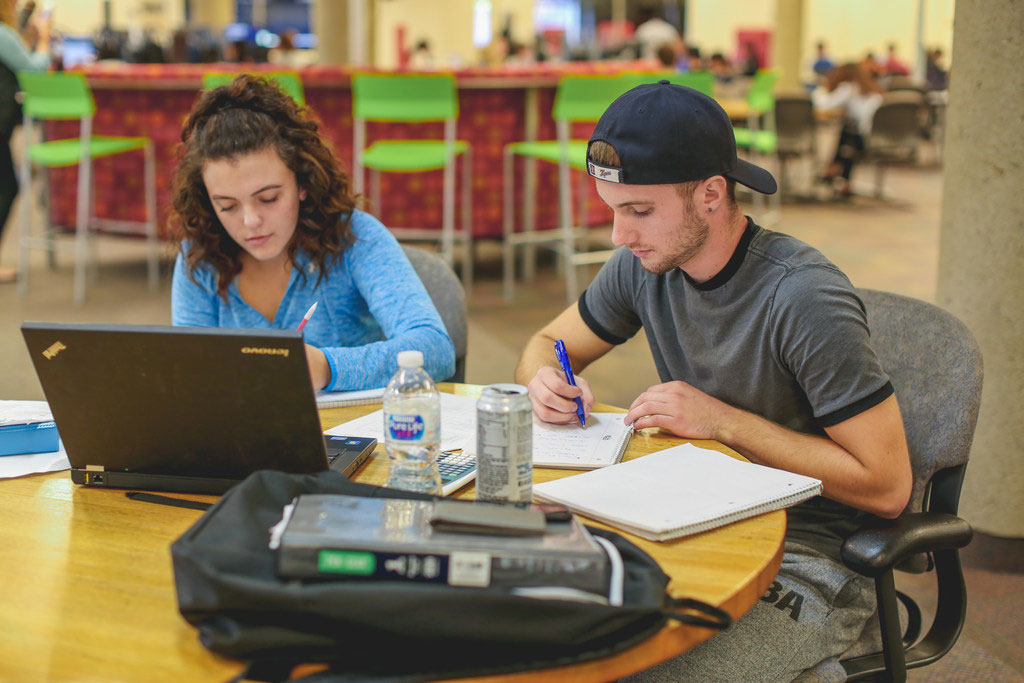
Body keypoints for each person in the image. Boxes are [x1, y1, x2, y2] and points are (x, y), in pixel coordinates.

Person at [514, 81, 911, 680]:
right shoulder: (641, 265)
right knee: (539, 631)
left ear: (710, 195)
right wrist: (544, 379)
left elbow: (887, 486)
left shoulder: (803, 298)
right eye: (612, 210)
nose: (619, 236)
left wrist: (722, 421)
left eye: (639, 211)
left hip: (807, 560)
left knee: (645, 670)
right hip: (692, 523)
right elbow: (545, 345)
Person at [170, 74, 455, 391]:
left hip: (352, 433)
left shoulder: (355, 237)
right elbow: (191, 370)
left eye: (269, 198)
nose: (250, 221)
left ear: (303, 182)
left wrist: (329, 369)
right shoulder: (200, 257)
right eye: (227, 206)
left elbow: (435, 349)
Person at [0, 0, 50, 284]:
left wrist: (28, 40)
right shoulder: (2, 33)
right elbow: (34, 71)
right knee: (7, 186)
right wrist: (43, 40)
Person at [813, 62, 884, 196]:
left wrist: (819, 90)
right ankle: (839, 175)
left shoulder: (848, 88)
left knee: (848, 134)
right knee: (849, 133)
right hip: (880, 139)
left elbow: (825, 104)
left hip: (863, 141)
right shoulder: (874, 91)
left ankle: (833, 170)